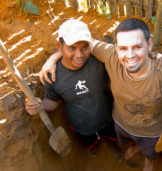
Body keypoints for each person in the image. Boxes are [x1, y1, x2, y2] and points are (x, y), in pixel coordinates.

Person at [40, 18, 162, 171]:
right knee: (124, 141)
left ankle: (148, 160)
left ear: (149, 45)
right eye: (123, 48)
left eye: (138, 47)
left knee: (151, 150)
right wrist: (53, 57)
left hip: (150, 130)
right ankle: (130, 147)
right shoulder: (111, 57)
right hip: (119, 122)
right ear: (116, 48)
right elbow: (81, 44)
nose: (130, 55)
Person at [25, 19, 119, 157]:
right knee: (90, 142)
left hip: (108, 118)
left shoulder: (99, 62)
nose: (79, 55)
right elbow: (53, 101)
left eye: (84, 48)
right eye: (72, 48)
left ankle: (112, 144)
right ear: (60, 46)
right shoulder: (53, 75)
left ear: (90, 46)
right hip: (82, 126)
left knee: (113, 136)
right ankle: (95, 146)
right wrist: (39, 105)